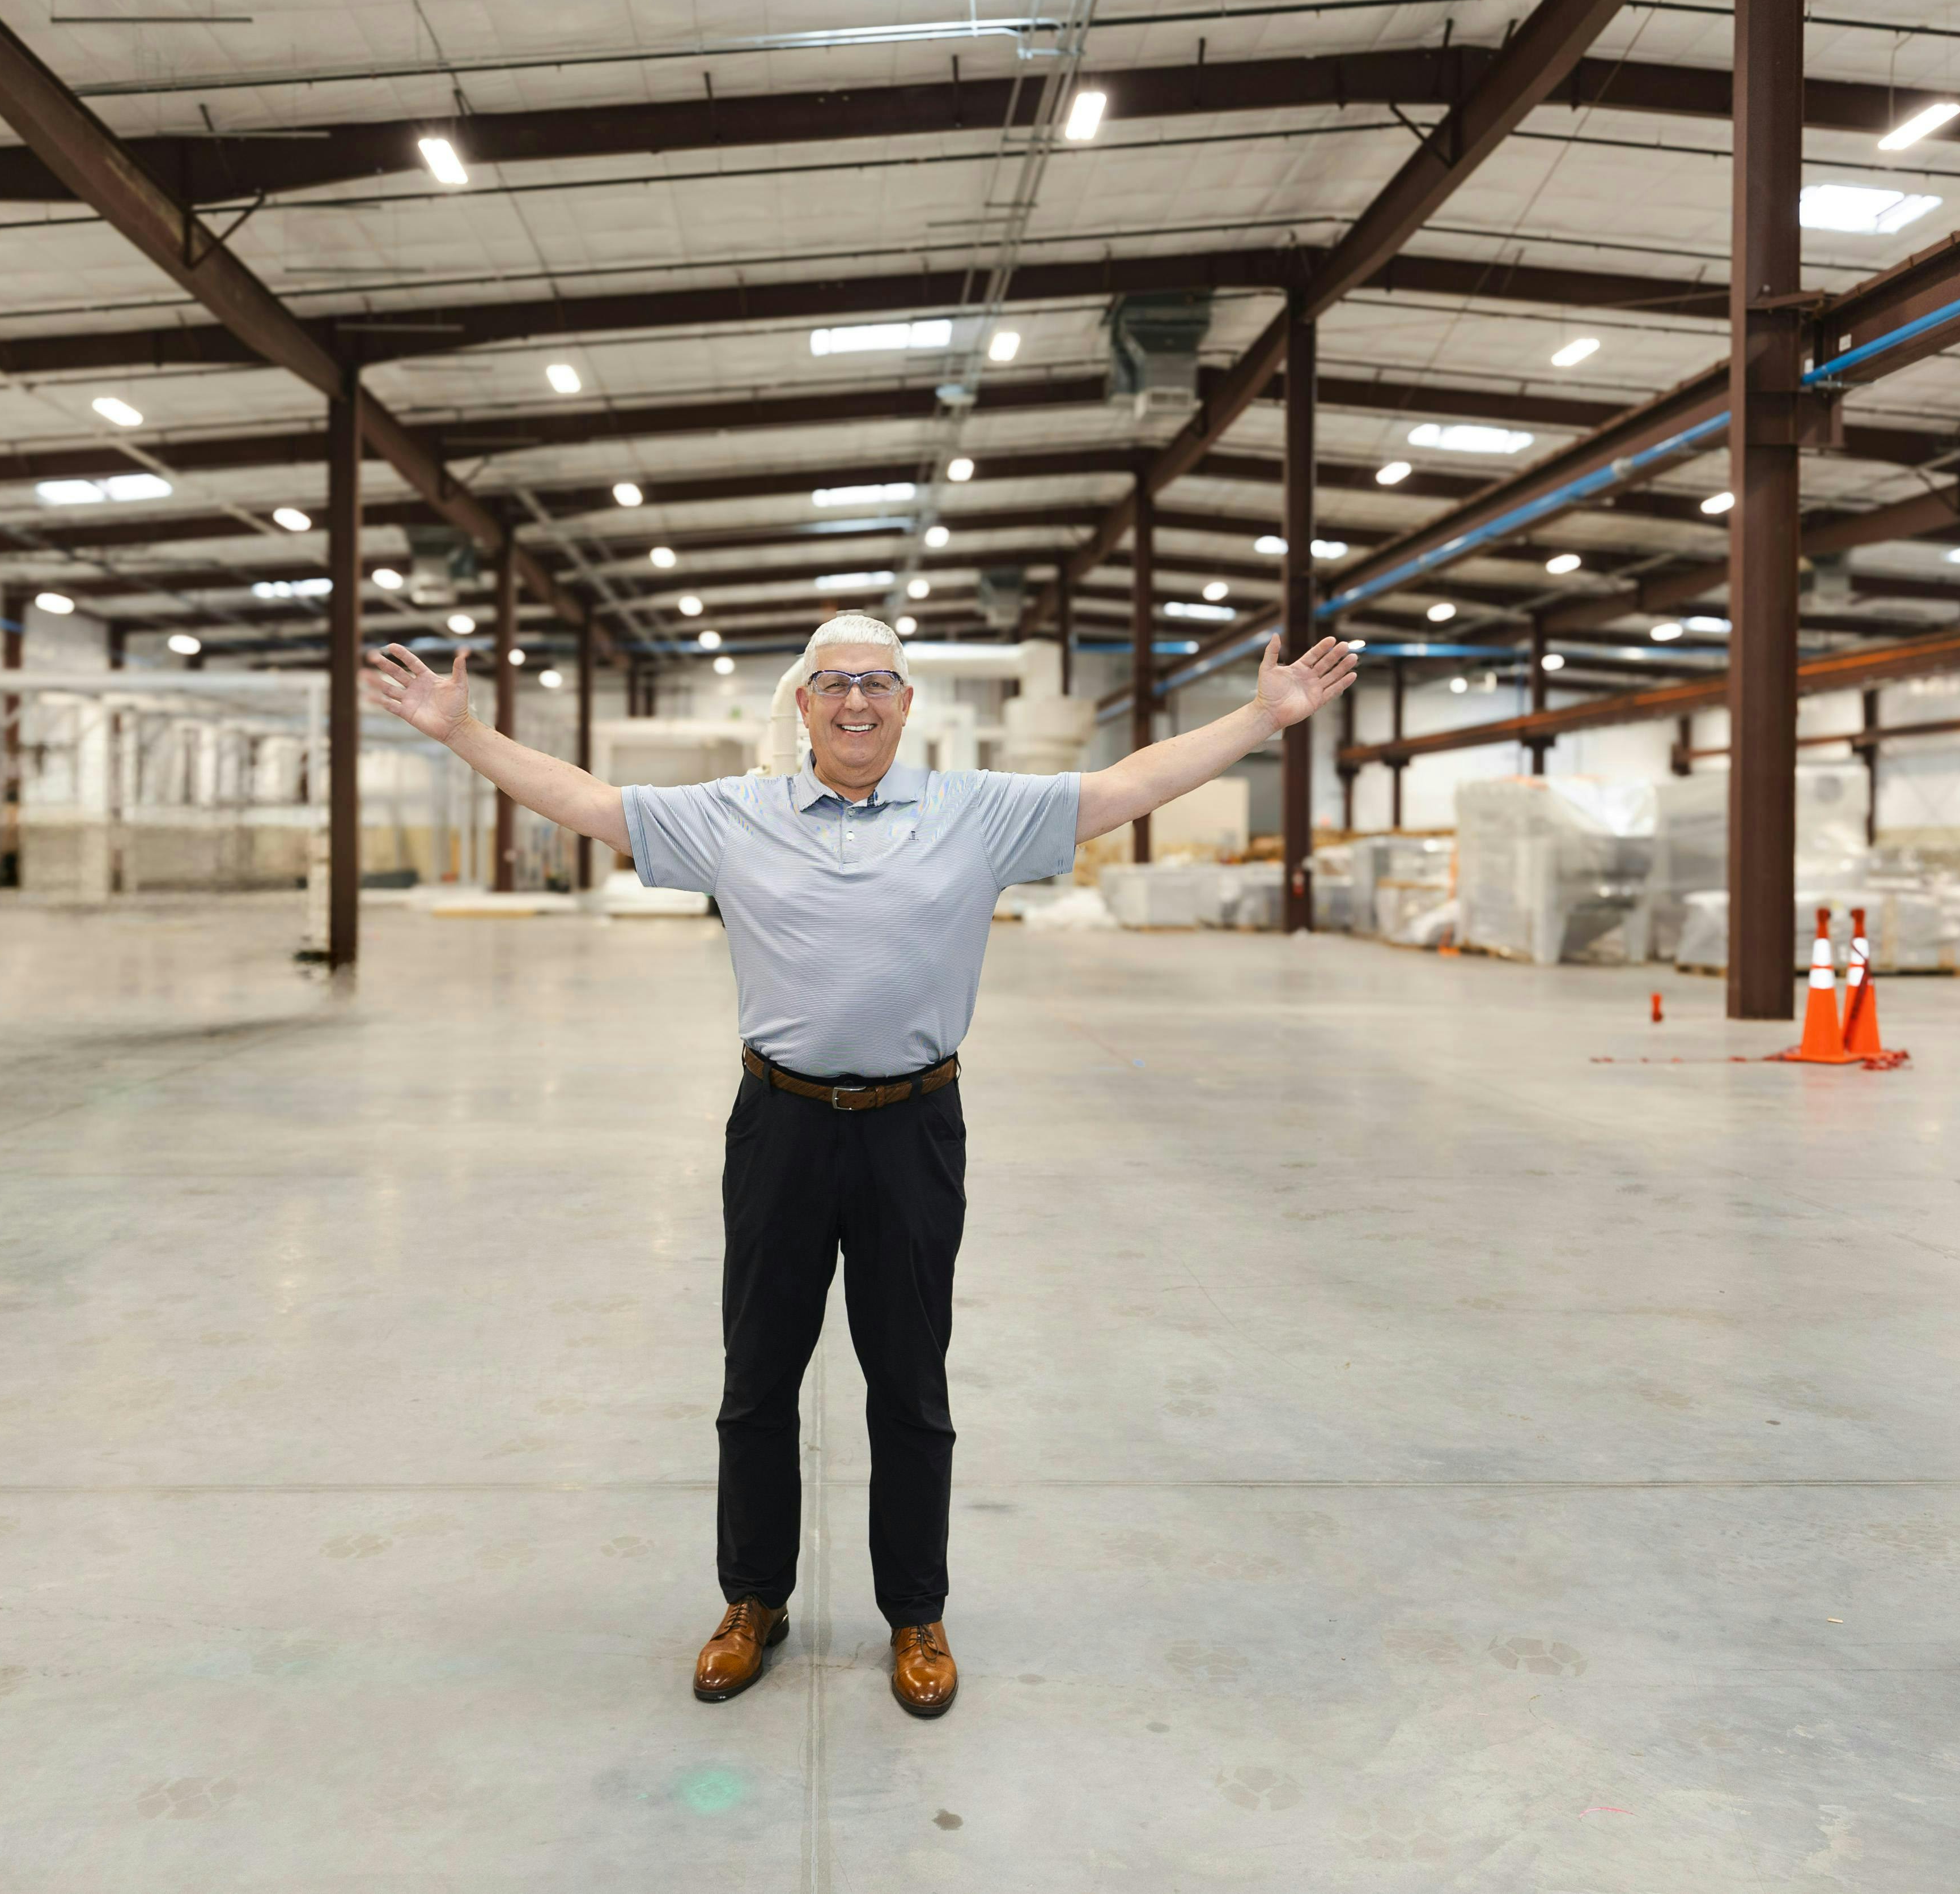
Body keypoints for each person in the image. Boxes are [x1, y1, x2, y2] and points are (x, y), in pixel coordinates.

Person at [361, 613, 1355, 1717]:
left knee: (909, 1383)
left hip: (912, 1128)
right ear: (802, 705)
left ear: (904, 702)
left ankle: (915, 1613)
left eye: (876, 683)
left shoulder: (972, 808)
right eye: (833, 684)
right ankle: (753, 1601)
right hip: (777, 1125)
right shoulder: (735, 813)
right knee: (756, 1381)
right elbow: (590, 802)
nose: (855, 703)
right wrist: (463, 735)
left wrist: (1261, 718)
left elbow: (1125, 783)